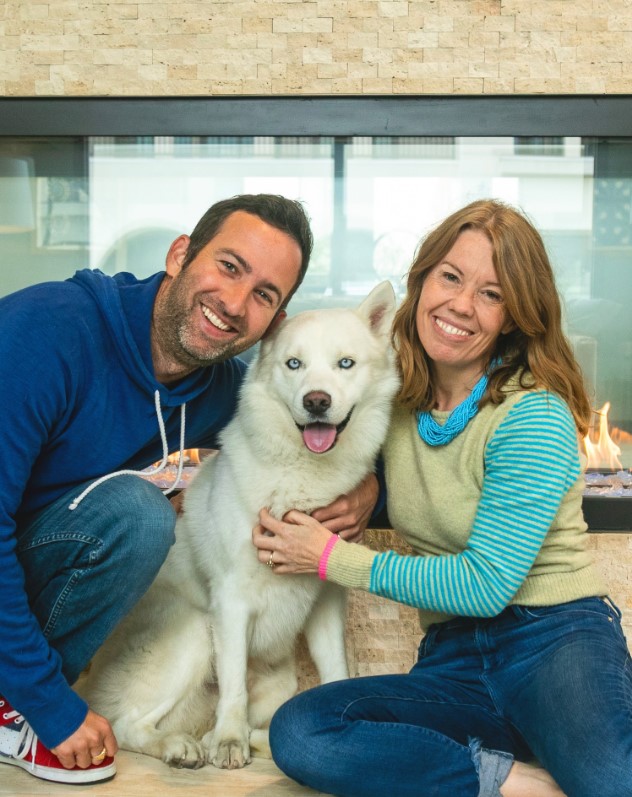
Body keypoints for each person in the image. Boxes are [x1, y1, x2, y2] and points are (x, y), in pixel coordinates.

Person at [252, 199, 632, 797]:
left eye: (492, 293)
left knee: (613, 784)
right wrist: (369, 488)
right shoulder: (391, 396)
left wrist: (327, 557)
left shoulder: (531, 415)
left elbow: (485, 585)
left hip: (553, 642)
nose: (460, 304)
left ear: (513, 315)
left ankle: (551, 746)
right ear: (422, 280)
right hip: (454, 658)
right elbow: (333, 435)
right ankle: (512, 776)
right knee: (304, 730)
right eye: (450, 276)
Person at [0, 193, 377, 786]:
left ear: (272, 324)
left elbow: (310, 422)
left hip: (34, 554)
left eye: (263, 294)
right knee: (140, 515)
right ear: (180, 255)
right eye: (229, 267)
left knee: (140, 517)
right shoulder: (43, 334)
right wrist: (50, 704)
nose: (233, 303)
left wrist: (367, 489)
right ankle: (15, 703)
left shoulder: (215, 386)